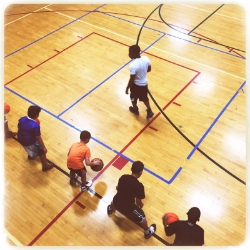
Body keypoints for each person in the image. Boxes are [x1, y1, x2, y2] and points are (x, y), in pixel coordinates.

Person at [107, 161, 156, 239]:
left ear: (131, 169)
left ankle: (110, 209)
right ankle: (147, 231)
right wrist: (141, 205)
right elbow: (138, 202)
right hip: (127, 207)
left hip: (116, 200)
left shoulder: (123, 177)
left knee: (115, 199)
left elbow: (117, 188)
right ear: (140, 173)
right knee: (142, 217)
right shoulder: (139, 186)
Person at [17, 105, 54, 171]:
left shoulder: (22, 118)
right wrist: (43, 147)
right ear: (36, 116)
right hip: (29, 141)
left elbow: (19, 126)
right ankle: (45, 165)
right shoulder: (35, 125)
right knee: (41, 152)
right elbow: (38, 138)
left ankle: (31, 155)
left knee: (29, 147)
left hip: (20, 138)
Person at [125, 45, 154, 119]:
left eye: (130, 52)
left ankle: (135, 109)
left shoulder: (133, 65)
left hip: (136, 85)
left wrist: (127, 88)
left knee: (133, 97)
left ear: (134, 53)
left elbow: (132, 79)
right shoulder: (146, 58)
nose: (129, 54)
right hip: (144, 83)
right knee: (145, 98)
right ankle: (149, 110)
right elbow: (149, 69)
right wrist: (142, 73)